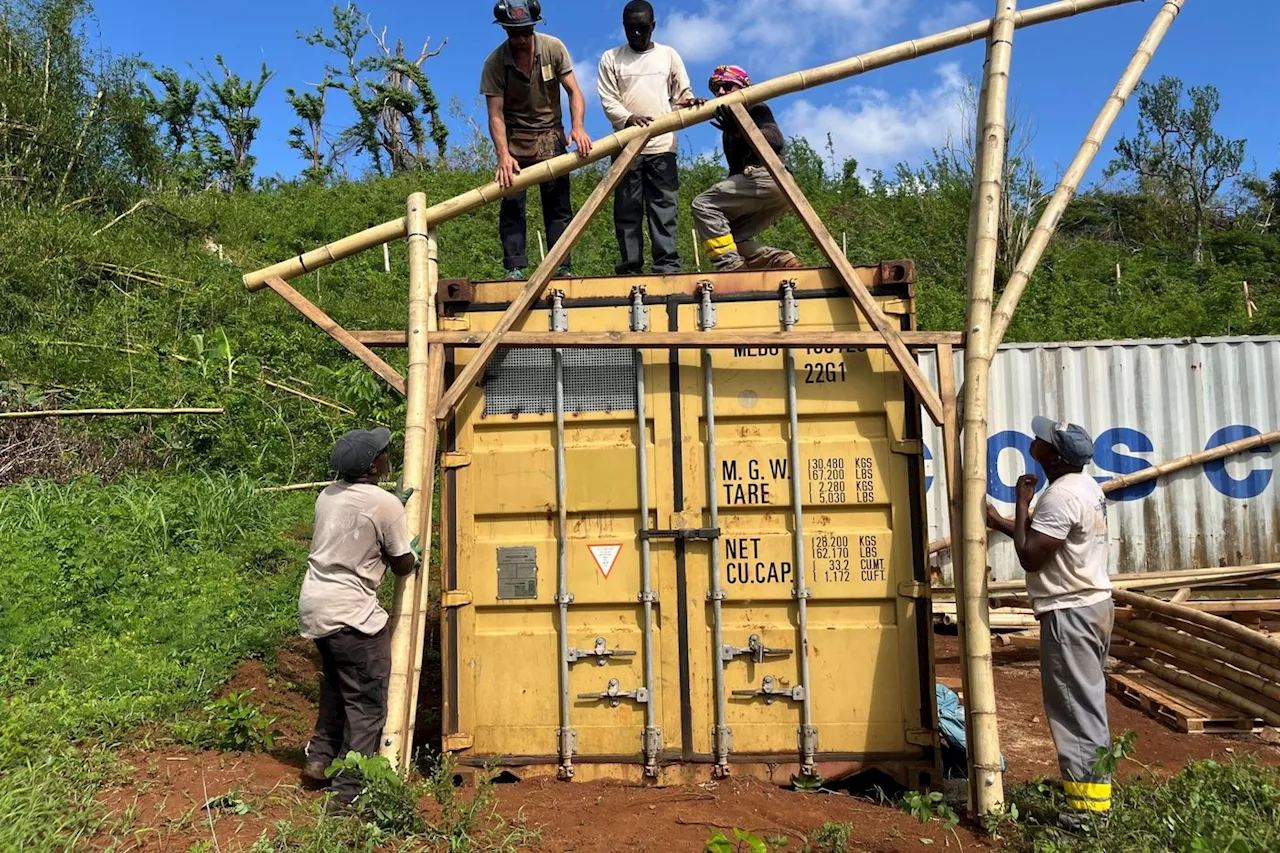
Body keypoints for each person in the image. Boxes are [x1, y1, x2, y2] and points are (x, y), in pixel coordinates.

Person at [987, 417, 1114, 829]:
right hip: (1093, 605)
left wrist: (1022, 500)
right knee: (1086, 704)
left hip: (1070, 613)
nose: (1035, 441)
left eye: (1043, 441)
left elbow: (1030, 554)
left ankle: (1089, 814)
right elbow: (1045, 539)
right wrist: (999, 521)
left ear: (1055, 458)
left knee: (1075, 709)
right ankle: (1093, 798)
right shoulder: (1084, 487)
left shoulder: (1059, 496)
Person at [298, 427, 420, 808]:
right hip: (352, 614)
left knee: (336, 685)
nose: (389, 455)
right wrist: (409, 550)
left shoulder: (327, 496)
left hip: (317, 606)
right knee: (367, 702)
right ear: (372, 466)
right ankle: (348, 791)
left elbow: (355, 532)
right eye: (384, 452)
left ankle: (318, 760)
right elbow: (401, 564)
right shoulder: (385, 505)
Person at [481, 0, 593, 280]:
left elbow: (574, 91)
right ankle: (515, 267)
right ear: (505, 30)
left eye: (525, 32)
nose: (520, 39)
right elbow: (495, 114)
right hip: (515, 138)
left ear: (533, 27)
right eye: (513, 33)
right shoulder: (495, 63)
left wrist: (577, 127)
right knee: (511, 203)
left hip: (550, 135)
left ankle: (561, 266)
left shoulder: (553, 48)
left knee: (557, 204)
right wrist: (503, 156)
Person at [597, 0, 698, 275]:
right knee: (627, 209)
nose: (637, 35)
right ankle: (630, 267)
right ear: (624, 28)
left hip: (663, 146)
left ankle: (666, 265)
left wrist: (689, 102)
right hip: (626, 145)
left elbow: (682, 94)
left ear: (653, 26)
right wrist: (629, 119)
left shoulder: (668, 55)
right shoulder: (611, 58)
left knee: (664, 206)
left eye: (643, 29)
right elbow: (609, 100)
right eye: (632, 29)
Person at [691, 65, 803, 272]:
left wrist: (739, 128)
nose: (720, 93)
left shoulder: (755, 107)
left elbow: (775, 140)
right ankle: (778, 260)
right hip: (777, 189)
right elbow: (735, 171)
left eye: (727, 86)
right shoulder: (730, 124)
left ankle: (730, 266)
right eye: (716, 89)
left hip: (768, 175)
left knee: (703, 204)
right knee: (728, 234)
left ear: (743, 86)